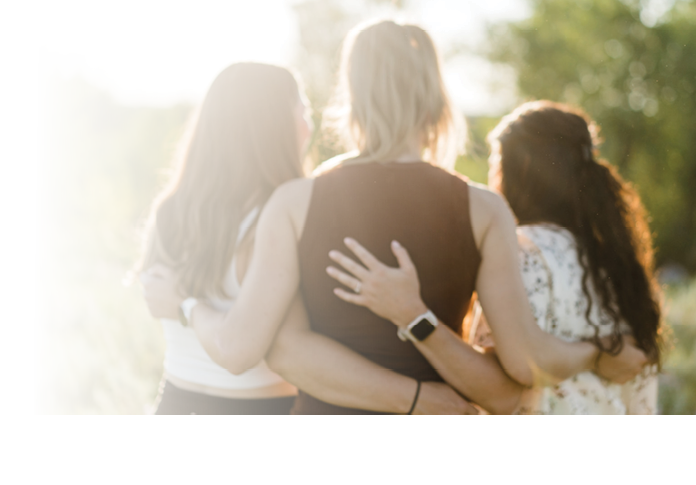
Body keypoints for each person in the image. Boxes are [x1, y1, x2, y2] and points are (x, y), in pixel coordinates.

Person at [143, 20, 648, 414]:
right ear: (435, 100)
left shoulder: (296, 202)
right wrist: (595, 350)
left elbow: (283, 351)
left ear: (353, 100)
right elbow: (513, 379)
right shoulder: (483, 208)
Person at [135, 61, 475, 415]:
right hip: (261, 411)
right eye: (303, 111)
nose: (309, 125)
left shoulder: (171, 211)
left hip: (174, 401)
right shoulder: (282, 218)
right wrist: (186, 306)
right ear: (277, 126)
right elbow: (238, 349)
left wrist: (183, 304)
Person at [329, 100, 664, 414]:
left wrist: (412, 315)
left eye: (495, 163)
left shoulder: (520, 252)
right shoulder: (619, 264)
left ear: (521, 167)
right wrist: (599, 351)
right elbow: (640, 391)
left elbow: (501, 377)